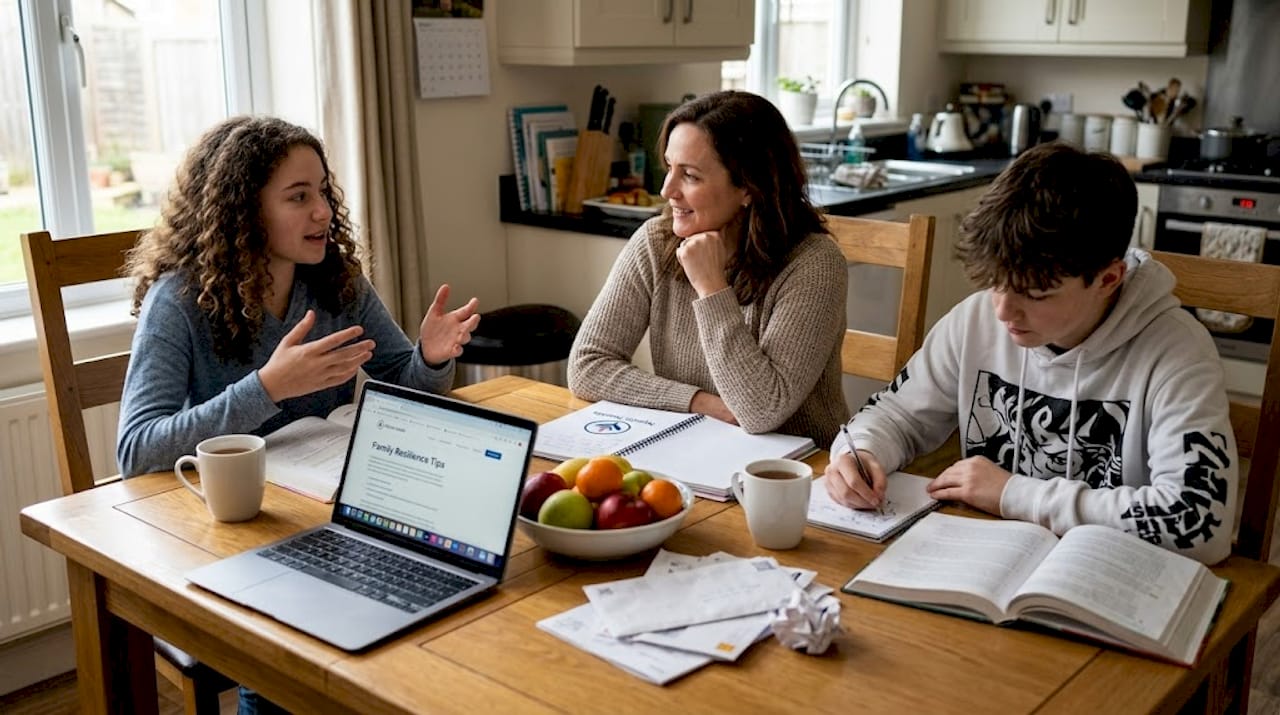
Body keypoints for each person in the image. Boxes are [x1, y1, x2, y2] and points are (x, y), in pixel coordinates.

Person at [825, 142, 1237, 564]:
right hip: (985, 559)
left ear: (1109, 278)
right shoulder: (976, 320)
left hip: (1111, 574)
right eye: (996, 284)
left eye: (1036, 294)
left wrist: (1014, 494)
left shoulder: (1177, 352)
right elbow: (897, 414)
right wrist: (860, 452)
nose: (1003, 311)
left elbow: (1199, 521)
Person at [117, 114, 479, 476]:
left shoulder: (338, 280)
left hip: (319, 495)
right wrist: (268, 387)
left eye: (322, 191)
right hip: (222, 506)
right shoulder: (176, 301)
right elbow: (137, 450)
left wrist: (430, 359)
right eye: (299, 197)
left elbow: (405, 387)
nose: (323, 211)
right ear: (244, 210)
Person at [568, 90, 849, 446]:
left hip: (801, 470)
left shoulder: (814, 264)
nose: (667, 190)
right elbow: (587, 366)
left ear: (749, 187)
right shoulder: (655, 241)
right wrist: (700, 403)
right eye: (669, 167)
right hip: (695, 446)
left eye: (691, 176)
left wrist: (712, 288)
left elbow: (762, 411)